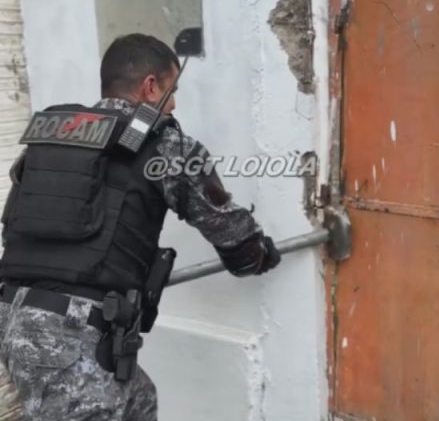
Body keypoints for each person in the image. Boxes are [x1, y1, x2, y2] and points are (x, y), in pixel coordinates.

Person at [0, 33, 281, 420]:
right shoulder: (165, 145)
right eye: (172, 89)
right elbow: (234, 239)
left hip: (13, 318)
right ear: (151, 87)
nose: (174, 103)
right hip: (69, 336)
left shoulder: (55, 137)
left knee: (139, 400)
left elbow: (14, 219)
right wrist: (260, 254)